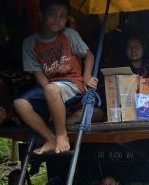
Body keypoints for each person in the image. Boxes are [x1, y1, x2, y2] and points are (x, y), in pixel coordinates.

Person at [14, 0, 99, 155]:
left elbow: (89, 55)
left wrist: (87, 77)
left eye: (62, 16)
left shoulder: (69, 34)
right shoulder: (30, 43)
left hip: (73, 83)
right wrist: (49, 93)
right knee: (20, 103)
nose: (57, 19)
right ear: (41, 15)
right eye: (52, 14)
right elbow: (37, 72)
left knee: (51, 89)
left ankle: (61, 134)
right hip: (50, 87)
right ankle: (50, 138)